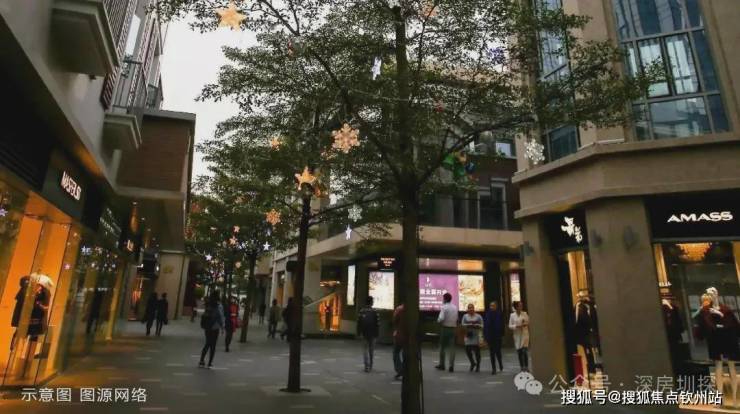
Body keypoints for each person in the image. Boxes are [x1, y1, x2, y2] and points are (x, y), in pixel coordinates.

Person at [199, 291, 225, 368]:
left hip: (207, 327)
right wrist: (222, 327)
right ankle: (210, 363)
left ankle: (201, 360)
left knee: (207, 343)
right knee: (213, 345)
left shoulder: (208, 304)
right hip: (215, 327)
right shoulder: (219, 306)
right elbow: (220, 316)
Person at [435, 292, 458, 372]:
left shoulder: (444, 307)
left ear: (444, 299)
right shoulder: (455, 307)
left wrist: (438, 321)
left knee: (442, 347)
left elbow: (441, 318)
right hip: (453, 329)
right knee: (452, 348)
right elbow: (456, 318)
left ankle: (442, 364)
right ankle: (451, 365)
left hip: (445, 328)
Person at [357, 296, 379, 372]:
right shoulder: (375, 311)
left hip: (364, 333)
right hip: (373, 333)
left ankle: (366, 366)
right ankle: (371, 365)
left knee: (365, 349)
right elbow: (377, 323)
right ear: (371, 302)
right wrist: (377, 334)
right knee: (371, 350)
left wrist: (359, 333)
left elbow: (359, 323)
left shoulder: (361, 311)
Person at [483, 301, 505, 374]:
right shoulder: (487, 314)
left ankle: (500, 363)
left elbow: (502, 325)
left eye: (493, 306)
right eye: (490, 306)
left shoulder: (499, 314)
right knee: (492, 352)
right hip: (490, 336)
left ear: (496, 306)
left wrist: (502, 334)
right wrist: (485, 336)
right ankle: (494, 368)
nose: (491, 307)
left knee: (498, 351)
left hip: (497, 336)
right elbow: (485, 325)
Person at [509, 301, 530, 371]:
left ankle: (526, 366)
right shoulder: (512, 315)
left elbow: (528, 322)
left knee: (524, 351)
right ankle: (522, 367)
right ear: (516, 307)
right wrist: (516, 326)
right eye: (520, 306)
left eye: (521, 305)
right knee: (520, 352)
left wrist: (524, 324)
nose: (521, 307)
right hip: (517, 335)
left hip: (524, 334)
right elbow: (510, 326)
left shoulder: (524, 314)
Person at [461, 303, 483, 372]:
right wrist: (468, 325)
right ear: (467, 309)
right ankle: (472, 362)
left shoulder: (478, 316)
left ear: (474, 308)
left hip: (476, 335)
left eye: (472, 308)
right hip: (468, 334)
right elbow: (462, 324)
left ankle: (478, 365)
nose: (470, 309)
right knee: (467, 350)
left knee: (477, 351)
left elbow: (482, 325)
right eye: (469, 308)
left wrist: (477, 325)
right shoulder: (465, 316)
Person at [392, 303, 406, 380]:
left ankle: (400, 370)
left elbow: (394, 320)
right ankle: (406, 370)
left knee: (396, 352)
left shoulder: (399, 309)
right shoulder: (413, 309)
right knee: (406, 354)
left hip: (399, 334)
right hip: (410, 336)